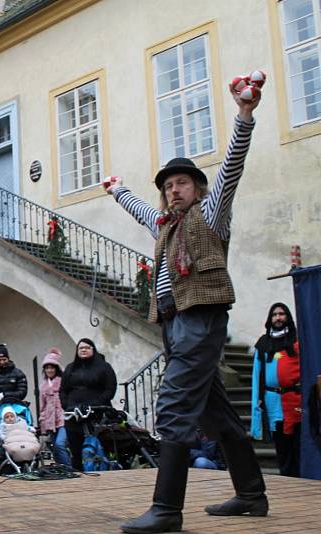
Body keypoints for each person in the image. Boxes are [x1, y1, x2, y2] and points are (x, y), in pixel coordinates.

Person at [106, 83, 267, 533]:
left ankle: (166, 511)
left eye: (182, 183)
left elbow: (232, 167)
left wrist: (244, 116)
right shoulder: (164, 227)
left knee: (174, 407)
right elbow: (141, 209)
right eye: (169, 186)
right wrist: (117, 191)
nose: (174, 190)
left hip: (200, 320)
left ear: (197, 189)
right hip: (173, 326)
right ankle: (252, 494)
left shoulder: (211, 215)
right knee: (216, 413)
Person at [251, 302, 301, 477]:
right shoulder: (263, 343)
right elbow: (257, 375)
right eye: (274, 314)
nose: (278, 318)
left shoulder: (297, 340)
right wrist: (258, 402)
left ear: (287, 317)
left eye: (281, 314)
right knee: (282, 447)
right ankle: (288, 482)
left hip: (295, 401)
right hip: (274, 403)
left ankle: (305, 483)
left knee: (299, 446)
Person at [59, 338, 117, 471]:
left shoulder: (104, 367)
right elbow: (63, 390)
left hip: (96, 414)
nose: (83, 350)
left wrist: (96, 404)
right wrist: (66, 405)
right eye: (80, 348)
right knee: (75, 451)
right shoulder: (70, 368)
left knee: (98, 448)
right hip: (73, 415)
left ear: (93, 350)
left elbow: (110, 389)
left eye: (87, 347)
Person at [39, 347, 69, 465]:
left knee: (60, 444)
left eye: (51, 367)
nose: (49, 370)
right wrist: (43, 420)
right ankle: (61, 469)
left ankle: (68, 468)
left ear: (56, 368)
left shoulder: (63, 382)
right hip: (50, 420)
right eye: (47, 368)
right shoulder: (43, 386)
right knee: (54, 447)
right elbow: (43, 406)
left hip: (64, 418)